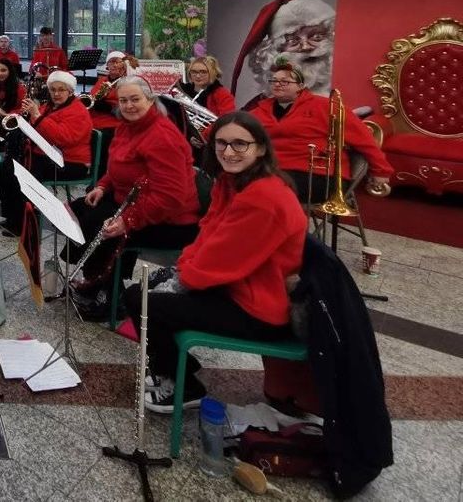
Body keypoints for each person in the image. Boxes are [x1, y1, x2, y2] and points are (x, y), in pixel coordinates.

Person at [126, 111, 306, 413]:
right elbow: (207, 237)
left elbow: (223, 260)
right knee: (142, 292)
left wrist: (181, 280)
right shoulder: (233, 183)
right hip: (235, 288)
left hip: (257, 310)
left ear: (260, 148)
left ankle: (184, 385)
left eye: (240, 144)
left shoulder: (263, 197)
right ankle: (175, 364)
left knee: (143, 301)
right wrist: (181, 269)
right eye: (221, 144)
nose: (228, 152)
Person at [76, 76, 200, 318]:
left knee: (101, 226)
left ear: (151, 100)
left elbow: (170, 197)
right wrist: (102, 186)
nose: (129, 106)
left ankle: (106, 294)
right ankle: (99, 281)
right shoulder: (126, 126)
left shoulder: (163, 136)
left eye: (135, 99)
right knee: (81, 209)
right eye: (124, 100)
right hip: (131, 201)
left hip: (171, 220)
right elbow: (117, 167)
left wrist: (128, 220)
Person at [246, 60, 391, 204]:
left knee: (263, 192)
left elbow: (364, 139)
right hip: (270, 169)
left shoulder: (326, 106)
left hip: (316, 174)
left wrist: (381, 170)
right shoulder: (258, 111)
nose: (277, 84)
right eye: (274, 80)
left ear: (301, 86)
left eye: (285, 81)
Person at [0, 70, 92, 235]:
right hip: (46, 156)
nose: (56, 93)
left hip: (71, 162)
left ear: (70, 91)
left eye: (61, 90)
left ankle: (25, 222)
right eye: (53, 89)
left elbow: (62, 138)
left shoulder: (78, 111)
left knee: (24, 173)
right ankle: (13, 218)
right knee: (6, 168)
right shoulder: (49, 106)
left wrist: (36, 115)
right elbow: (36, 128)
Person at [230, 0, 336, 100]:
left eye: (316, 37)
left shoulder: (345, 105)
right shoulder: (258, 109)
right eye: (293, 40)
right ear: (276, 51)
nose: (305, 47)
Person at [88, 51, 137, 175]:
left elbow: (129, 107)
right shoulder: (103, 81)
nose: (114, 65)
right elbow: (91, 98)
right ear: (107, 66)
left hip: (115, 123)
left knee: (103, 141)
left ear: (124, 65)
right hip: (95, 121)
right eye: (111, 62)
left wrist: (109, 107)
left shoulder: (128, 82)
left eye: (117, 62)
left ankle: (100, 174)